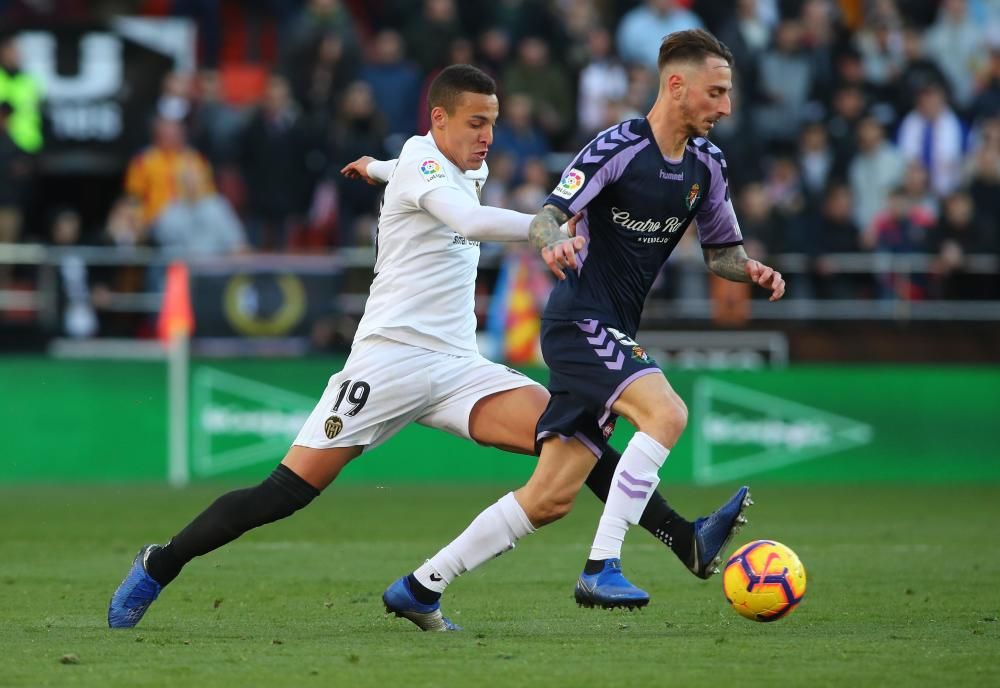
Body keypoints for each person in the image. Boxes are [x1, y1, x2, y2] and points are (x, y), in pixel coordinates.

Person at [108, 64, 748, 631]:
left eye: (492, 124)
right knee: (283, 494)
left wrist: (373, 168)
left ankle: (680, 536)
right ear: (437, 120)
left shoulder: (450, 164)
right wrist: (544, 225)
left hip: (457, 367)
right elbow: (466, 218)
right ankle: (160, 563)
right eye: (474, 124)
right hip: (386, 360)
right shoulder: (426, 161)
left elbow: (417, 178)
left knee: (574, 440)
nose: (487, 138)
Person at [384, 29, 783, 628]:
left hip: (613, 327)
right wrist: (551, 244)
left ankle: (421, 586)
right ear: (676, 87)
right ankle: (602, 566)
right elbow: (550, 216)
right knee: (667, 414)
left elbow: (721, 250)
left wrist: (747, 268)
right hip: (580, 322)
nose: (726, 107)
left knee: (551, 497)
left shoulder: (709, 164)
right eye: (716, 92)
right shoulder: (617, 147)